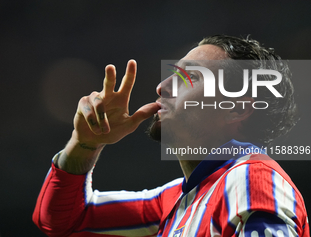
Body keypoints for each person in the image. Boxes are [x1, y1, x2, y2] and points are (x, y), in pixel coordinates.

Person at [33, 35, 309, 237]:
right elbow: (64, 221)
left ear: (235, 108)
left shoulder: (251, 180)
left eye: (190, 77)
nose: (162, 86)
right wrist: (85, 144)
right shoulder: (173, 200)